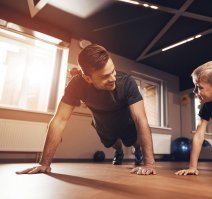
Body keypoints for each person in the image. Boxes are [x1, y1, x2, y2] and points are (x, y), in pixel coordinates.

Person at [16, 44, 156, 175]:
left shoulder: (127, 82)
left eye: (113, 71)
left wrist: (149, 163)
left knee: (135, 141)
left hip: (126, 121)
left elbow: (140, 119)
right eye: (105, 76)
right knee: (113, 144)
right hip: (102, 122)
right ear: (88, 78)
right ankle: (119, 152)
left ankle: (138, 151)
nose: (113, 78)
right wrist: (44, 163)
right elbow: (59, 120)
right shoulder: (77, 85)